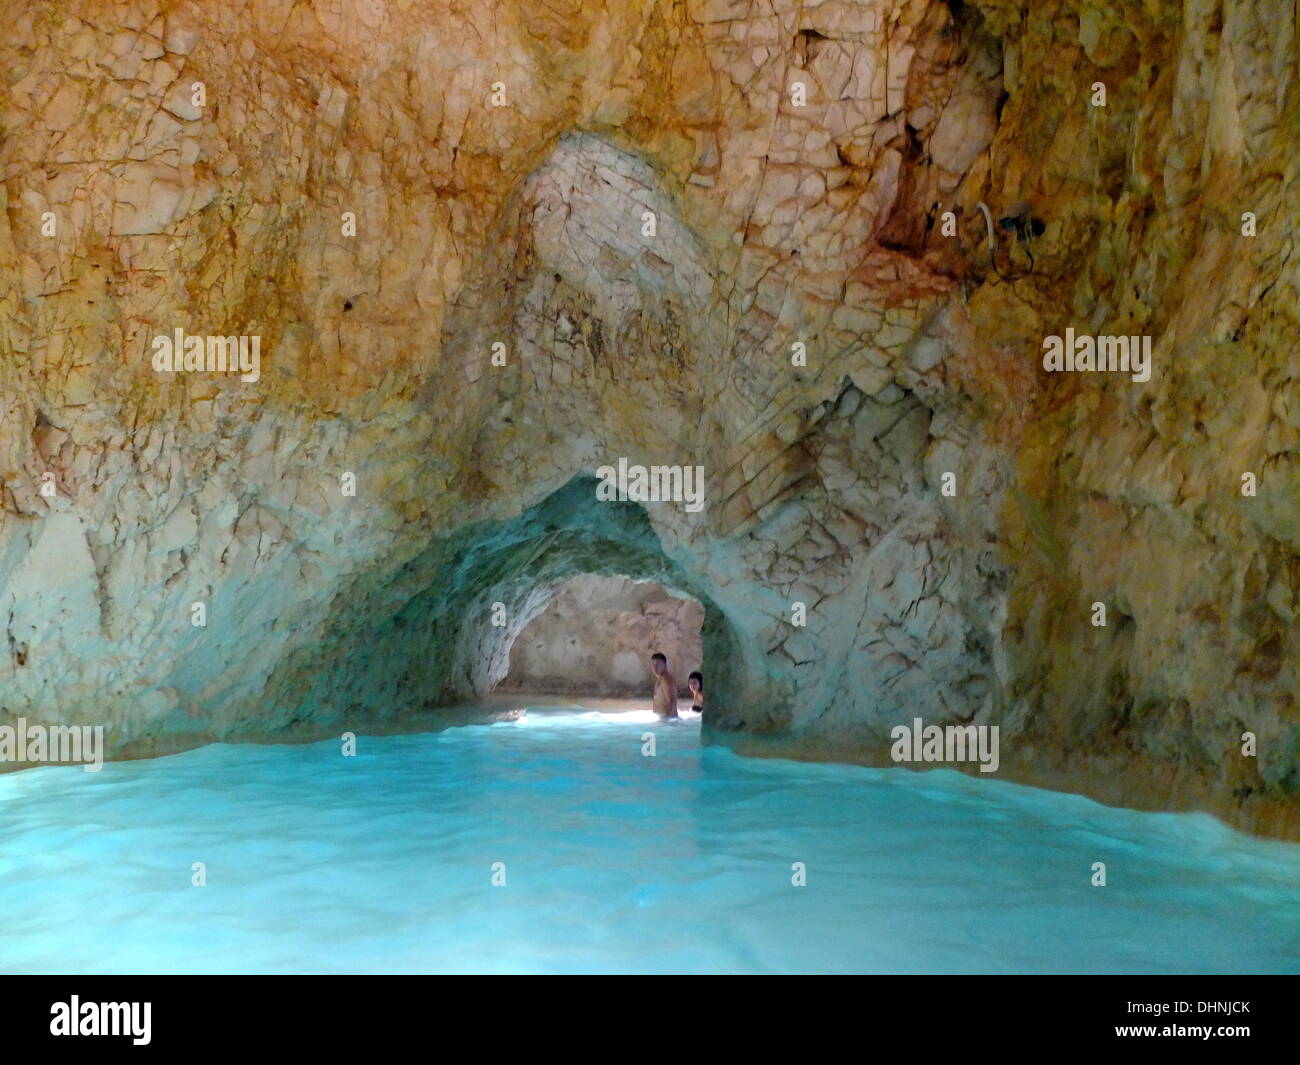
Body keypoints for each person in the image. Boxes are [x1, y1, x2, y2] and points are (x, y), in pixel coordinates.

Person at [649, 652, 678, 720]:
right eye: (653, 665)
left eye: (658, 664)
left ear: (665, 665)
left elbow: (672, 701)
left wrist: (667, 722)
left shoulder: (667, 680)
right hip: (662, 718)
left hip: (668, 720)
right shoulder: (661, 679)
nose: (655, 667)